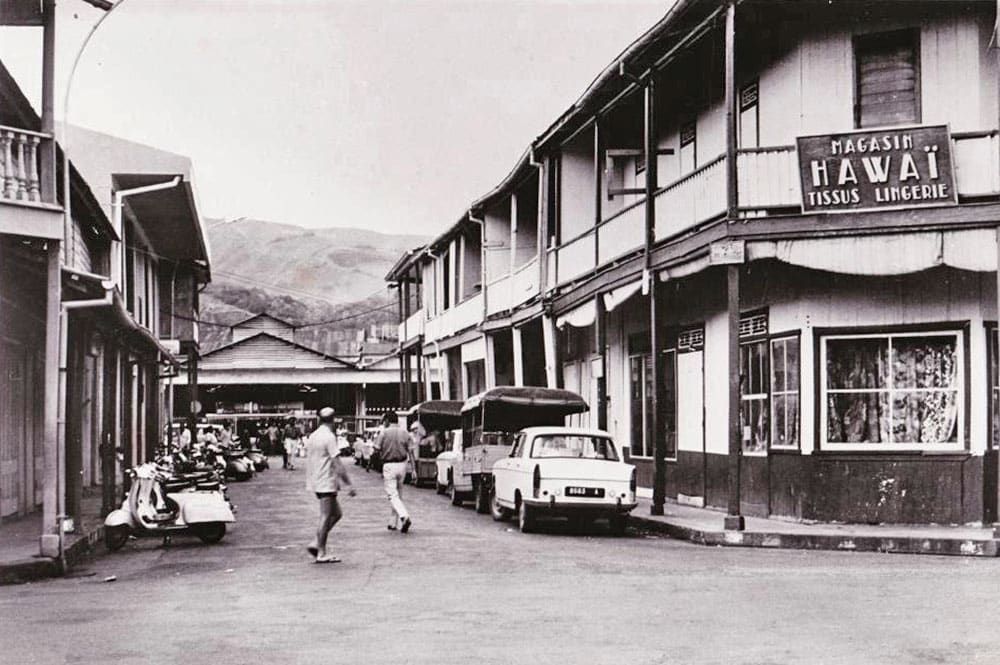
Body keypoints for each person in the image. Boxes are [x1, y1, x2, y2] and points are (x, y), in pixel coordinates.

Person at [305, 407, 355, 563]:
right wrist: (348, 483)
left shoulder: (313, 436)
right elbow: (337, 462)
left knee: (337, 514)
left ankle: (316, 542)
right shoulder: (329, 437)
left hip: (316, 479)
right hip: (326, 480)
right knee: (326, 516)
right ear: (334, 420)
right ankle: (321, 552)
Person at [373, 412, 413, 533]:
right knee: (399, 494)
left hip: (389, 465)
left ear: (387, 421)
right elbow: (411, 453)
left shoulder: (383, 433)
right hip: (402, 464)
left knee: (392, 495)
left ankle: (404, 516)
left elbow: (376, 449)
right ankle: (393, 522)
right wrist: (414, 470)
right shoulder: (405, 433)